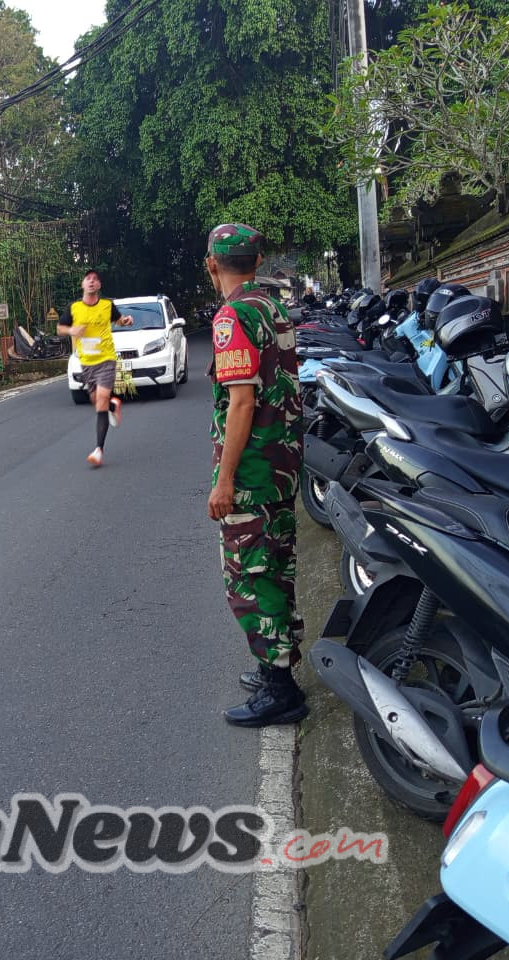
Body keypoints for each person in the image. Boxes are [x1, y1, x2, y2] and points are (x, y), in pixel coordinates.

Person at [204, 223, 307, 728]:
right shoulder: (271, 305)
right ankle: (278, 663)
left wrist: (225, 481)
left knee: (252, 575)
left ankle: (280, 687)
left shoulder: (233, 316)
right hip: (283, 464)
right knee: (278, 568)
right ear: (258, 259)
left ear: (212, 265)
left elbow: (242, 402)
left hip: (254, 471)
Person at [57, 269, 133, 467]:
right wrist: (72, 330)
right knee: (96, 400)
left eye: (95, 280)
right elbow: (60, 328)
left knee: (100, 398)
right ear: (83, 284)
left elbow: (119, 320)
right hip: (87, 362)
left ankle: (99, 449)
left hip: (106, 359)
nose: (91, 282)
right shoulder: (74, 308)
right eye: (88, 279)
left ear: (99, 286)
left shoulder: (107, 305)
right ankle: (112, 405)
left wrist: (126, 321)